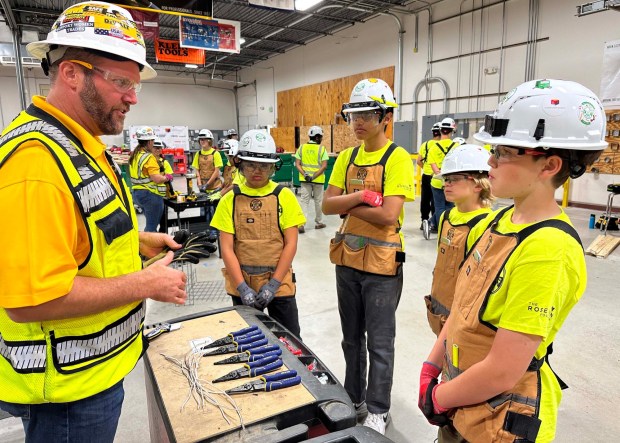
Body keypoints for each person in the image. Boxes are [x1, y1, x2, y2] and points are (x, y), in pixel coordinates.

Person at [0, 3, 187, 442]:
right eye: (121, 82)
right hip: (66, 393)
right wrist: (145, 284)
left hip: (92, 373)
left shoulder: (80, 146)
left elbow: (79, 227)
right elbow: (31, 302)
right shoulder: (36, 163)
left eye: (135, 84)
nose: (133, 97)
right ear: (71, 74)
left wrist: (136, 240)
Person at [418, 79, 606, 443]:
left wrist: (438, 398)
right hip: (462, 402)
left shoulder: (548, 249)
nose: (489, 160)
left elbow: (503, 371)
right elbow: (463, 306)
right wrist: (433, 363)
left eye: (503, 152)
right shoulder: (499, 222)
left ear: (549, 165)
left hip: (500, 418)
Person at [322, 78, 415, 435]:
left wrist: (348, 202)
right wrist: (362, 199)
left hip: (381, 266)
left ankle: (377, 408)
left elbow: (389, 215)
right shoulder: (345, 157)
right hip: (347, 260)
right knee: (350, 338)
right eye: (353, 114)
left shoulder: (398, 159)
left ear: (385, 116)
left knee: (379, 341)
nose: (358, 122)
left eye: (367, 114)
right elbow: (328, 206)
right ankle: (353, 396)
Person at [211, 130, 306, 336]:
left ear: (273, 167)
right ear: (240, 165)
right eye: (251, 164)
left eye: (264, 165)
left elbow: (290, 244)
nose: (257, 170)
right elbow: (226, 248)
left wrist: (274, 284)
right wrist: (242, 287)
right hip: (242, 282)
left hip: (279, 283)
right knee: (248, 341)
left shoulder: (284, 196)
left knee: (289, 340)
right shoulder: (230, 199)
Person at [423, 144, 493, 337]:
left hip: (463, 321)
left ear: (478, 184)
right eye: (446, 179)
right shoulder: (446, 216)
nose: (447, 184)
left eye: (453, 179)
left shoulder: (485, 224)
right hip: (440, 310)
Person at [130, 127, 173, 232]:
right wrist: (167, 177)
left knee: (150, 223)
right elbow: (157, 179)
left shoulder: (135, 155)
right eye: (153, 141)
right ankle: (149, 247)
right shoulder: (149, 157)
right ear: (149, 142)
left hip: (137, 194)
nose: (153, 143)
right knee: (151, 227)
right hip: (150, 195)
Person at [426, 117, 459, 235]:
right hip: (452, 182)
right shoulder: (456, 147)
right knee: (450, 206)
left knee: (439, 207)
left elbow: (435, 171)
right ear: (452, 131)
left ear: (440, 130)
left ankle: (438, 227)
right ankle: (446, 228)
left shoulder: (433, 148)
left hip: (436, 182)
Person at [294, 125, 329, 233]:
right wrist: (313, 176)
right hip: (318, 180)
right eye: (321, 137)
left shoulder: (302, 148)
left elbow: (297, 164)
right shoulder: (321, 149)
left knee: (304, 201)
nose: (321, 139)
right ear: (317, 137)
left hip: (305, 180)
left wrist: (305, 175)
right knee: (318, 201)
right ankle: (319, 222)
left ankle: (301, 224)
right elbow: (324, 166)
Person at [191, 128, 222, 232]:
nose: (202, 141)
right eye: (200, 139)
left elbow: (216, 171)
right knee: (203, 211)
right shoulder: (198, 154)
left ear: (209, 140)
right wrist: (200, 185)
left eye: (204, 139)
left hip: (215, 188)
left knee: (213, 211)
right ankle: (205, 231)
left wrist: (207, 184)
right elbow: (197, 170)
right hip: (203, 189)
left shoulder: (215, 154)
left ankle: (214, 232)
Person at [416, 122, 440, 230]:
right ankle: (434, 223)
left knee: (425, 200)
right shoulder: (441, 145)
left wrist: (425, 168)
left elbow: (418, 161)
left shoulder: (425, 145)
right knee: (436, 200)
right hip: (438, 176)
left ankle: (424, 222)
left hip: (426, 176)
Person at [154, 137, 176, 233]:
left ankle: (163, 237)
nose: (157, 150)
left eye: (159, 148)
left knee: (163, 221)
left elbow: (170, 176)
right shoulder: (148, 161)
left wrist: (168, 177)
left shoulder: (164, 162)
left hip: (162, 195)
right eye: (155, 147)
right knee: (153, 221)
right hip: (150, 194)